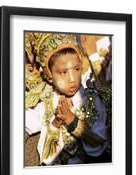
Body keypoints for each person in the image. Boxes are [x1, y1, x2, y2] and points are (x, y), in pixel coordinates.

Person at [25, 33, 111, 166]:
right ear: (49, 75)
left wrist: (72, 121)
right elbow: (46, 158)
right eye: (63, 72)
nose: (72, 79)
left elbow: (99, 146)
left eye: (77, 69)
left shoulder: (92, 100)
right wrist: (55, 123)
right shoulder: (46, 105)